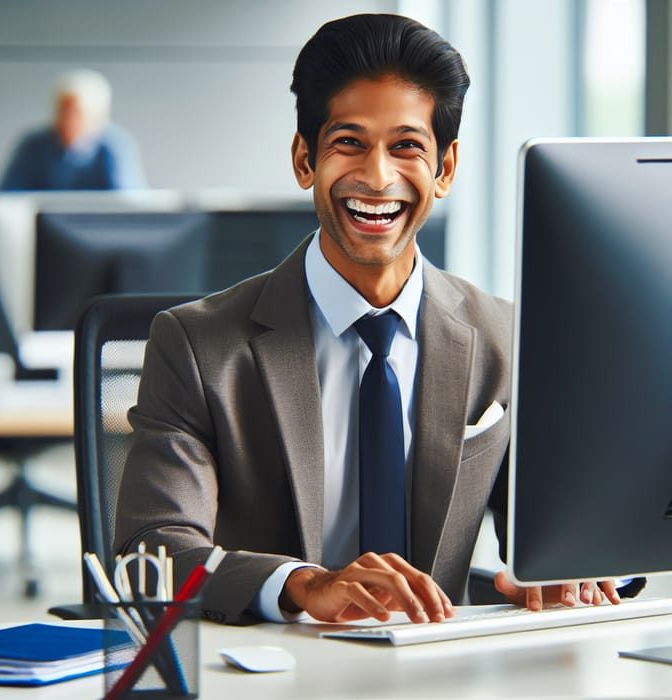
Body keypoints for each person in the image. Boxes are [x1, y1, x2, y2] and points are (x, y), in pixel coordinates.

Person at [114, 13, 622, 626]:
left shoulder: (506, 338)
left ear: (445, 170)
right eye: (349, 142)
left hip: (435, 670)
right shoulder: (196, 344)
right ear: (305, 160)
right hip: (273, 667)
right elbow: (150, 553)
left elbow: (550, 534)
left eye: (406, 146)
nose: (377, 177)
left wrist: (562, 571)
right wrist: (302, 585)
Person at [0, 69, 146, 192]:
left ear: (96, 114)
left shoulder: (114, 145)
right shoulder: (33, 145)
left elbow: (128, 200)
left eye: (77, 112)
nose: (69, 119)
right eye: (63, 110)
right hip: (42, 228)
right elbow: (6, 196)